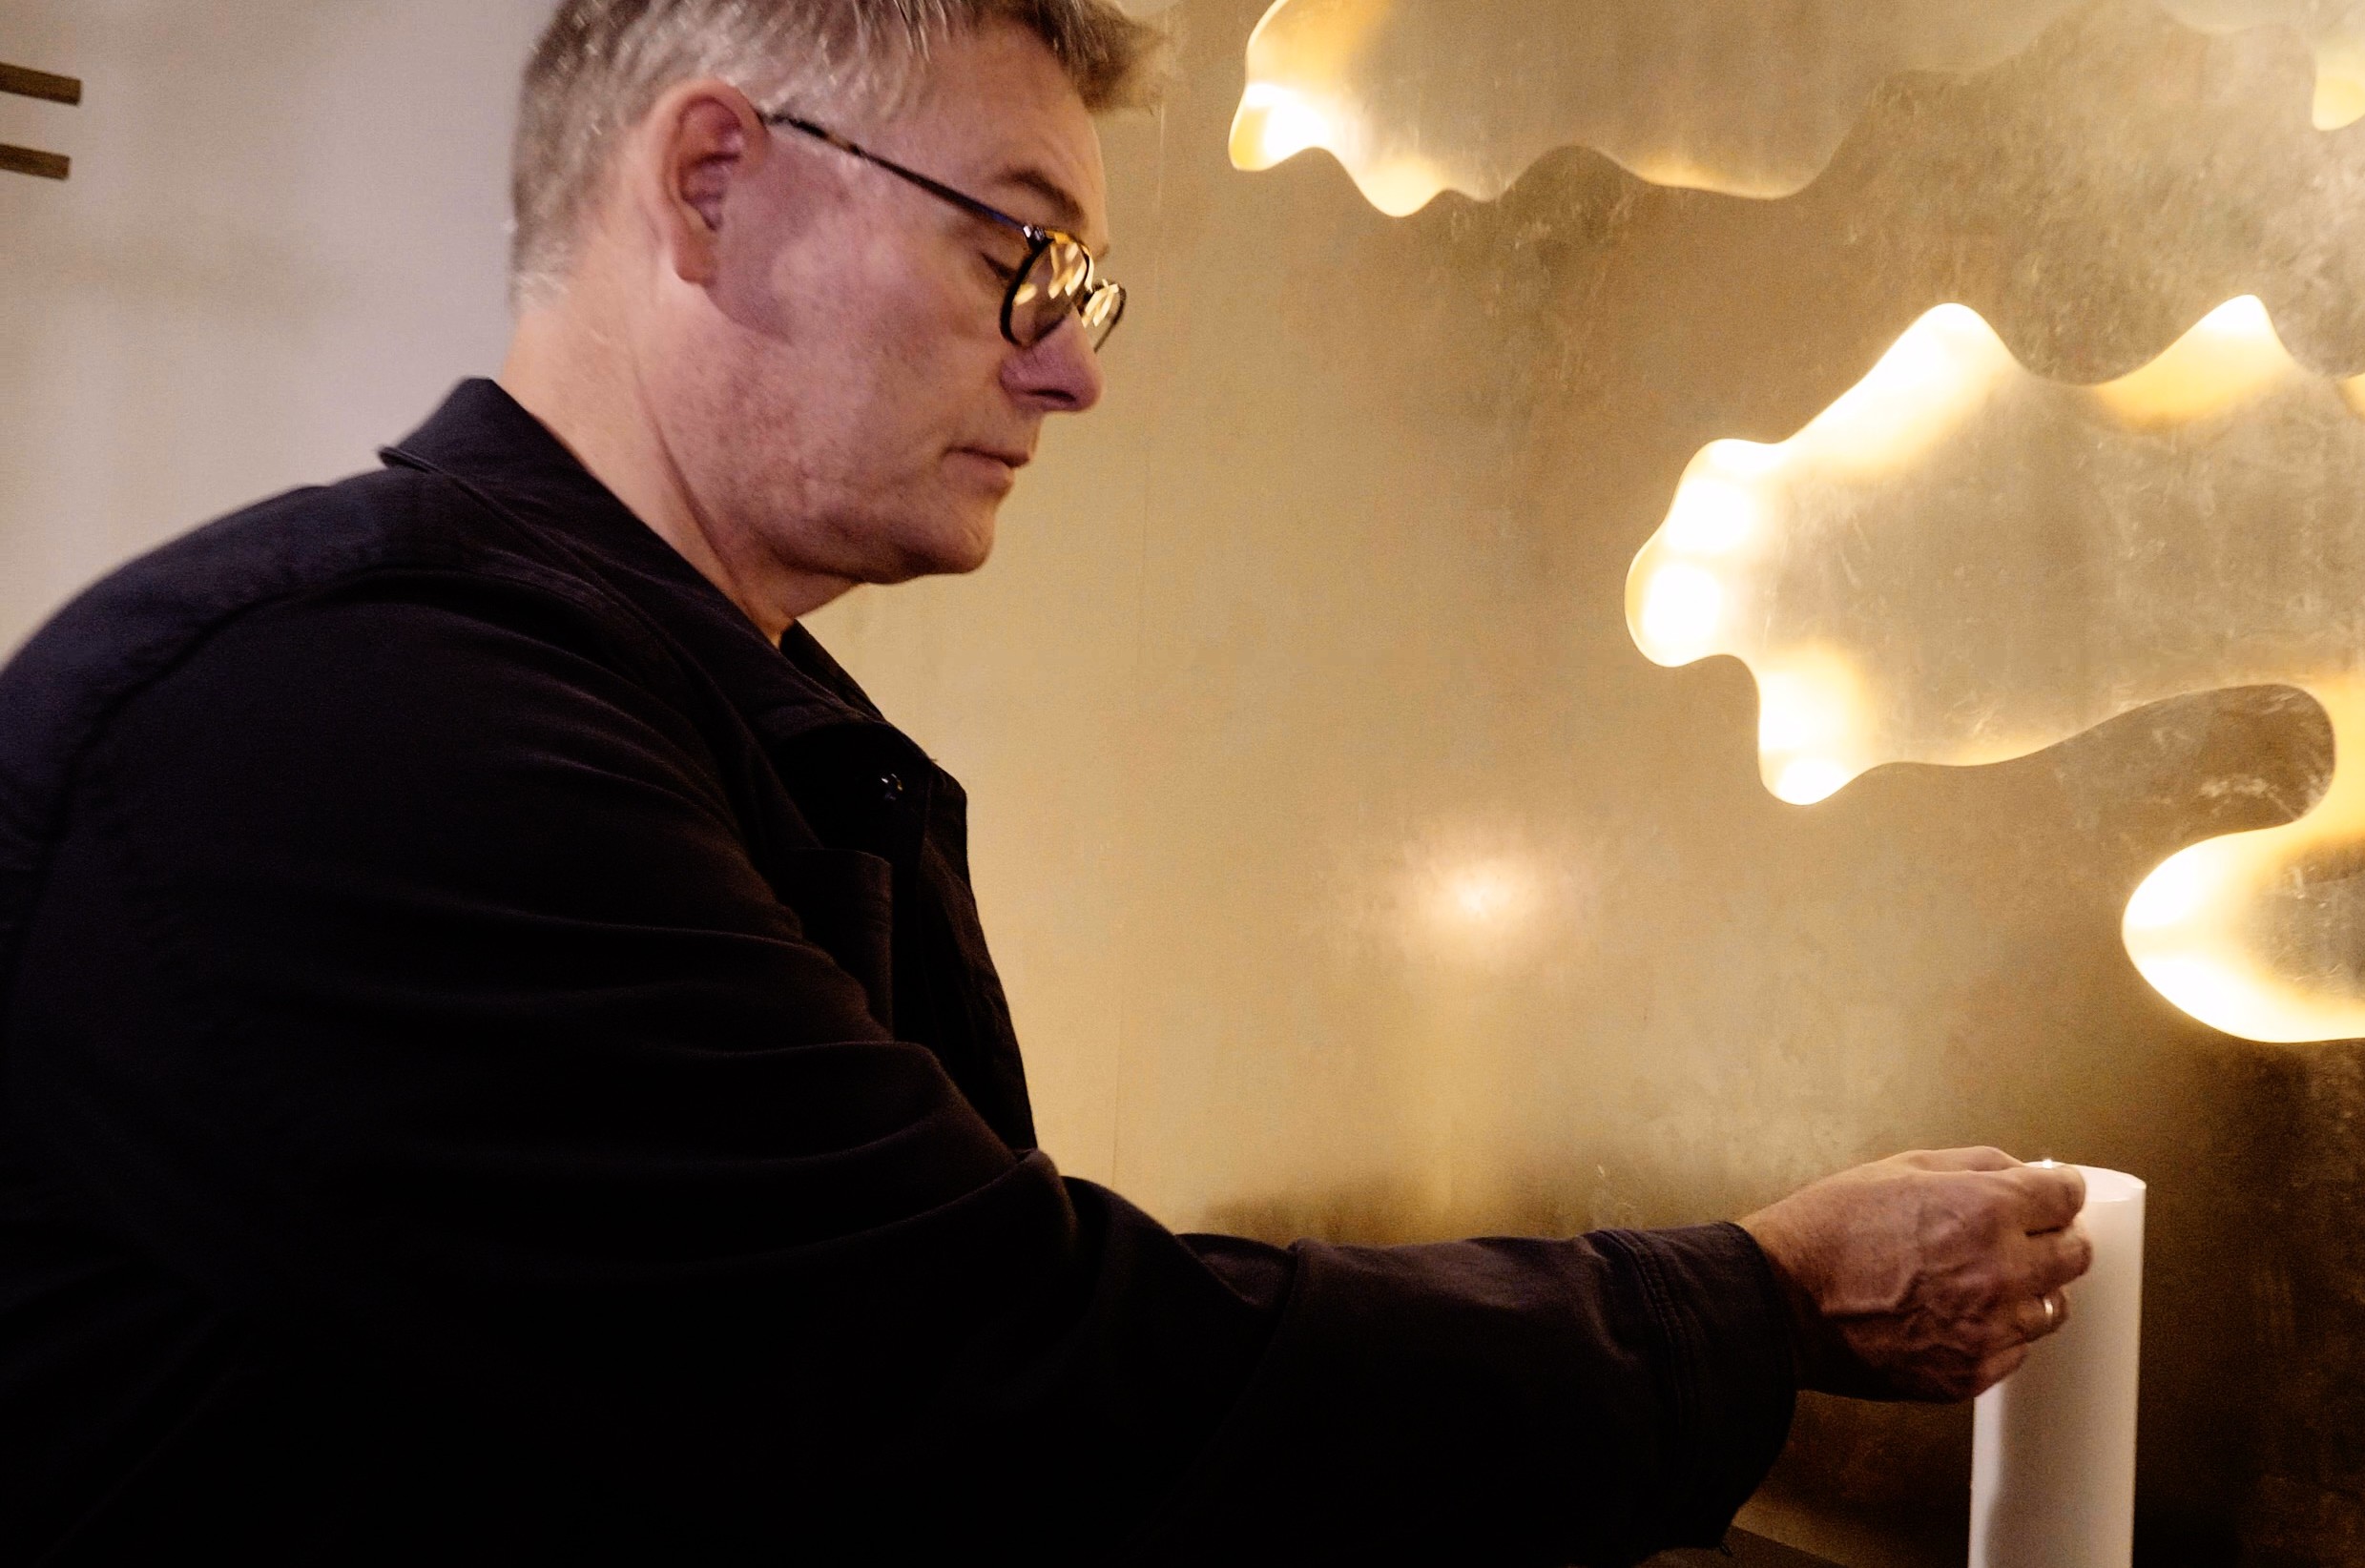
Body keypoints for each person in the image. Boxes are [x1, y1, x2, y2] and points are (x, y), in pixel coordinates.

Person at [0, 2, 2092, 1561]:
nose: (1069, 367)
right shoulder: (351, 717)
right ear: (714, 185)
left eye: (1083, 293)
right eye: (1019, 251)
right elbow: (984, 1384)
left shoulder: (666, 710)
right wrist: (1757, 1302)